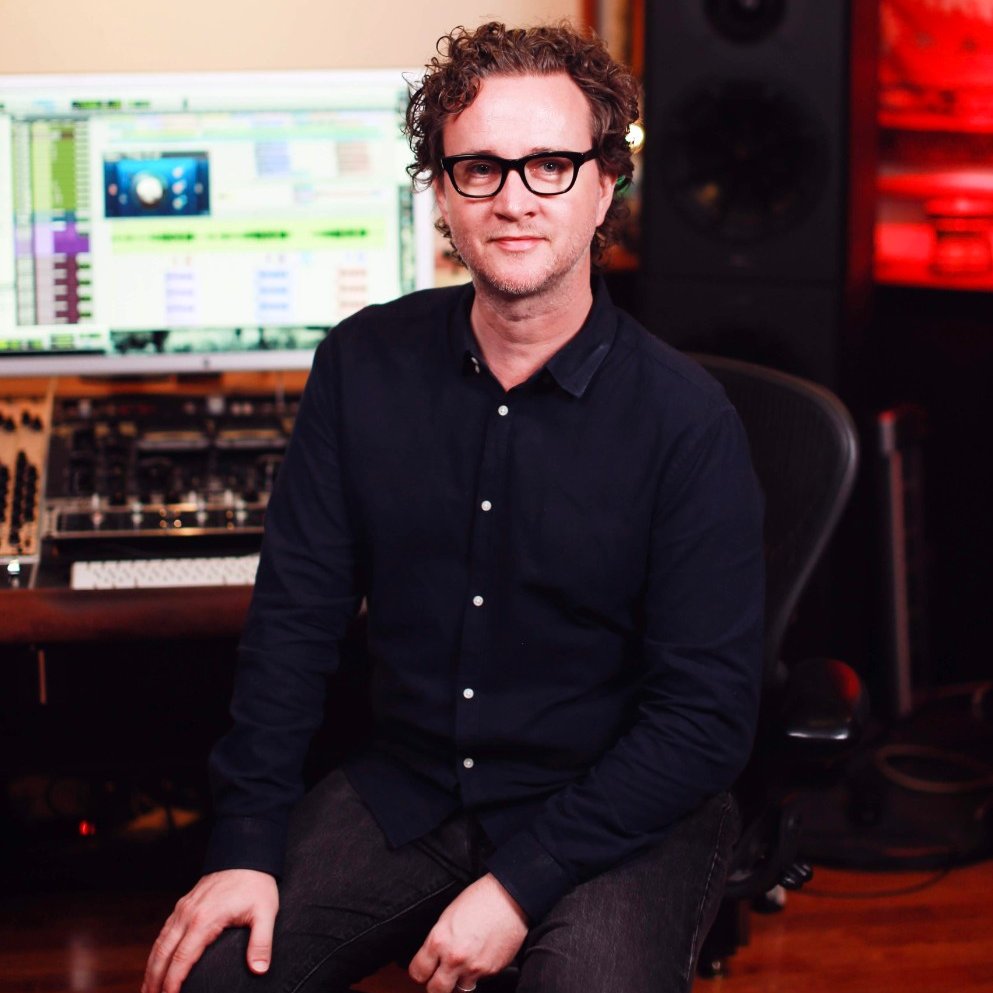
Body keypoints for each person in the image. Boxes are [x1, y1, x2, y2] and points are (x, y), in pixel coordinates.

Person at [142, 20, 764, 993]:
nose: (514, 199)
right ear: (440, 191)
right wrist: (246, 843)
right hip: (410, 788)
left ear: (606, 183)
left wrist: (517, 886)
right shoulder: (359, 365)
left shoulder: (689, 422)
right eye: (479, 168)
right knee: (213, 976)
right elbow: (294, 624)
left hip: (617, 807)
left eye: (551, 165)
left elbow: (703, 719)